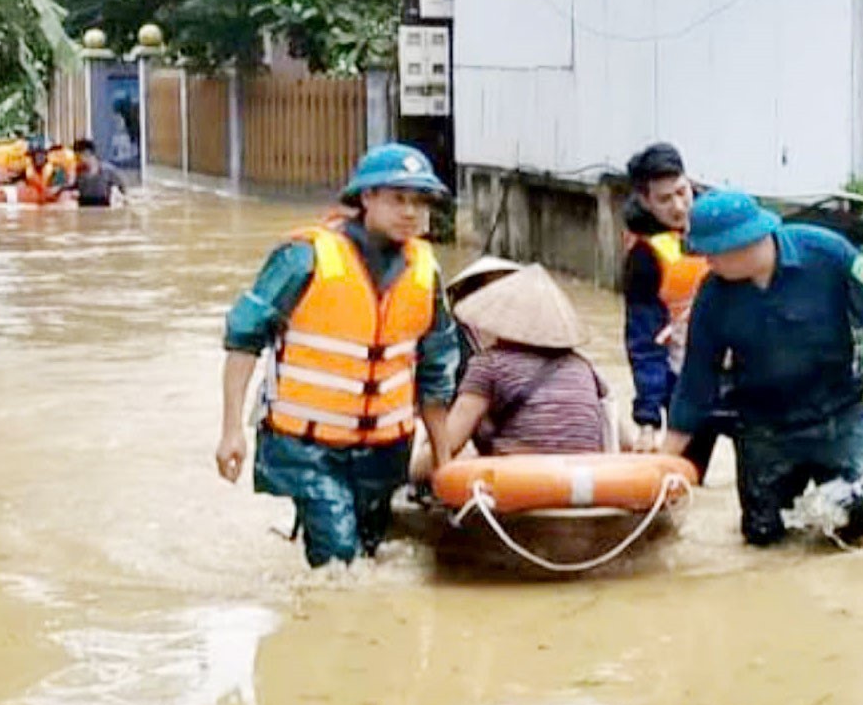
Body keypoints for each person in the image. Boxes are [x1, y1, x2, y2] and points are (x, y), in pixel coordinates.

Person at [663, 190, 863, 548]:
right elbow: (696, 382)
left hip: (839, 416)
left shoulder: (828, 254)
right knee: (763, 538)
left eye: (711, 254)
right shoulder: (713, 297)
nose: (707, 262)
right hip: (763, 429)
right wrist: (665, 465)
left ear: (742, 245)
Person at [216, 143, 460, 567]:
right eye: (398, 198)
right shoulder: (304, 257)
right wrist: (231, 429)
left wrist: (444, 463)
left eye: (420, 202)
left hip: (385, 449)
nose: (411, 212)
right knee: (338, 558)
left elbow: (436, 372)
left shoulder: (426, 271)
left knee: (369, 551)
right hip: (306, 445)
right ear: (366, 198)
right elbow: (243, 339)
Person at [619, 143, 728, 476]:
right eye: (665, 200)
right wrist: (648, 418)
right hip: (686, 384)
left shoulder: (726, 224)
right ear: (645, 201)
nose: (679, 206)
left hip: (744, 376)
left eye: (682, 192)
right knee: (687, 482)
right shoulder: (644, 257)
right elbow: (644, 341)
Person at [436, 264, 610, 460]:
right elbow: (621, 435)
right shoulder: (582, 366)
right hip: (586, 478)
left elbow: (447, 444)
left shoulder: (490, 364)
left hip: (518, 478)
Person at [65, 139, 128, 208]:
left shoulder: (107, 170)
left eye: (79, 156)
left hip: (102, 207)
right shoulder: (78, 171)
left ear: (87, 153)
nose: (78, 159)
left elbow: (123, 187)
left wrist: (124, 199)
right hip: (83, 208)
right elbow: (71, 187)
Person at [19, 137, 68, 203]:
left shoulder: (56, 171)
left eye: (42, 154)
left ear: (47, 155)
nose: (39, 157)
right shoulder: (24, 171)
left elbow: (61, 188)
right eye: (36, 154)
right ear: (31, 156)